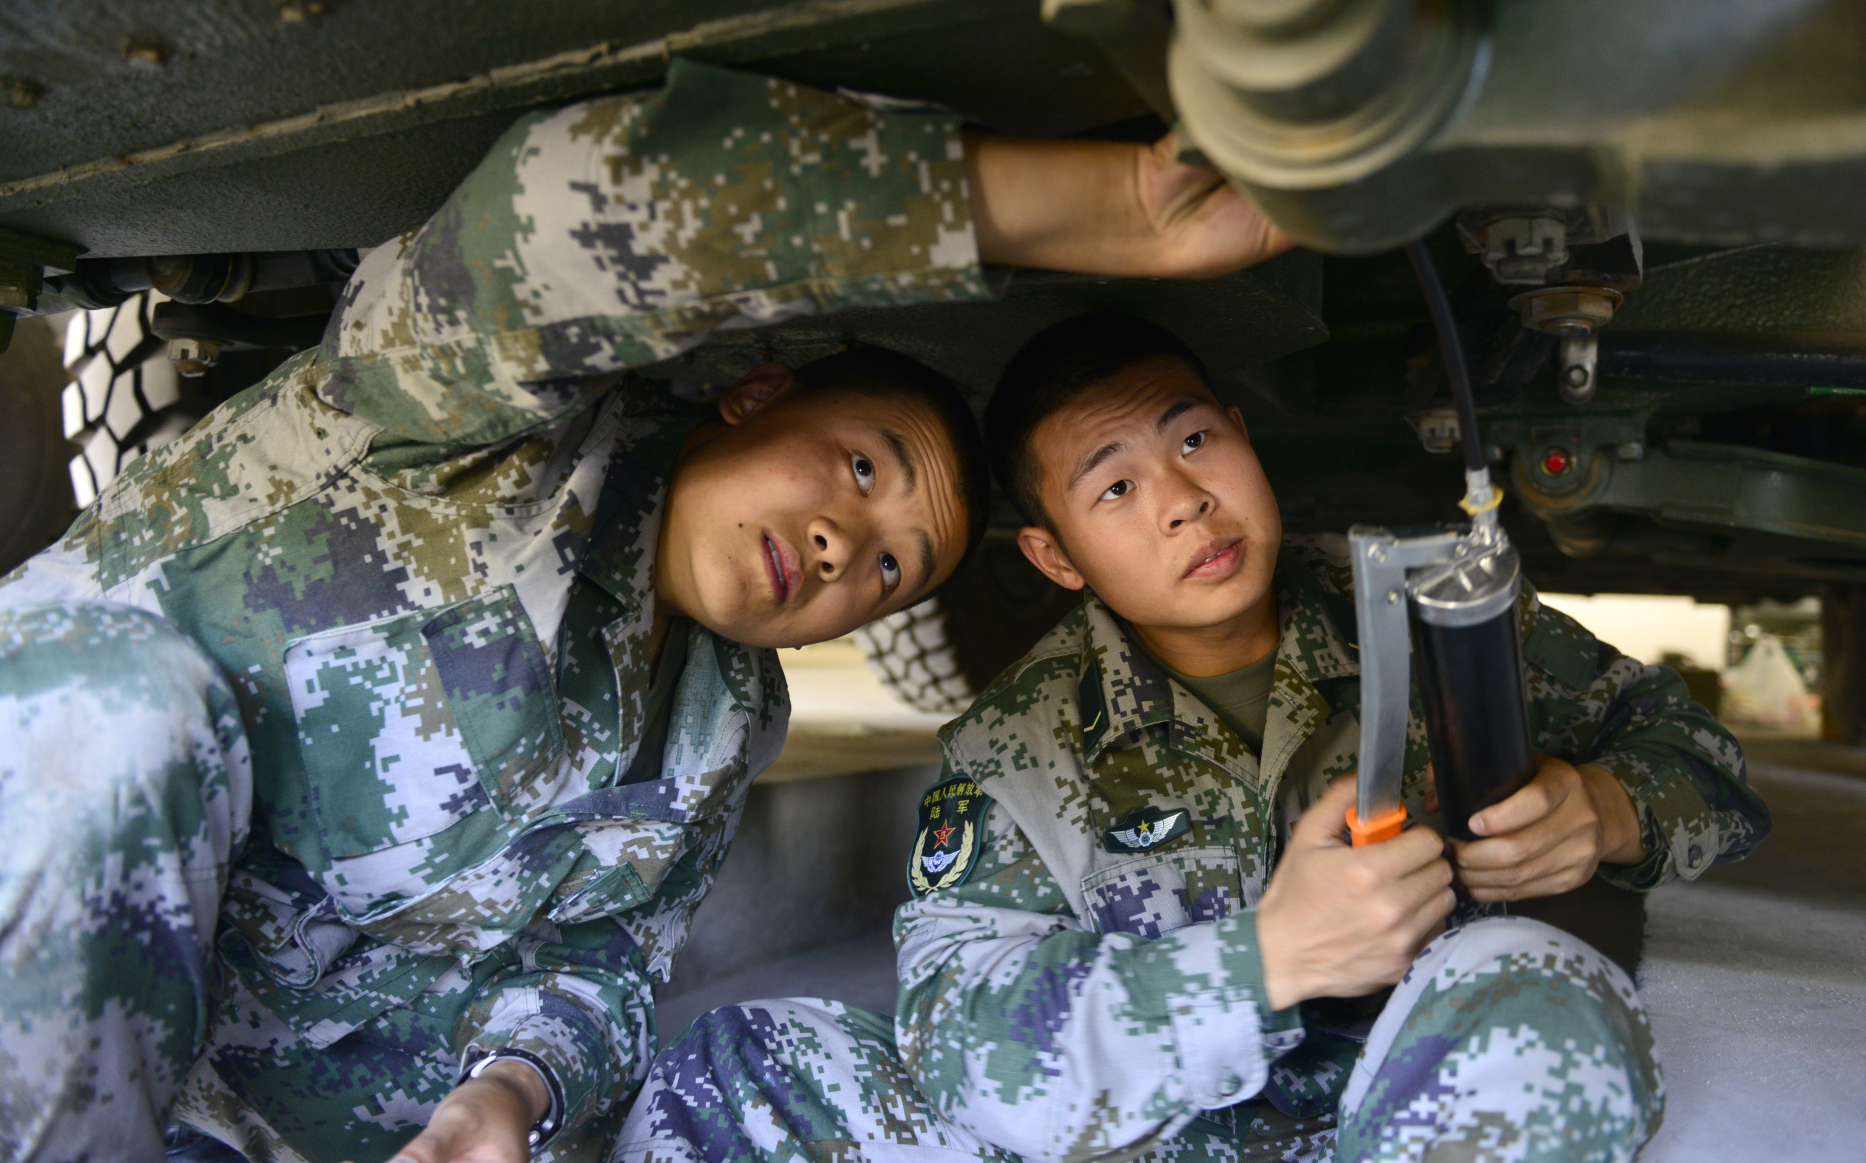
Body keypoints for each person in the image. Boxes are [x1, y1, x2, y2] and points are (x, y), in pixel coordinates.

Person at [0, 67, 1288, 1163]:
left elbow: (606, 963)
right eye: (858, 468)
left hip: (265, 1122)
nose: (850, 547)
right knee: (113, 705)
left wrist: (507, 1090)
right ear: (756, 394)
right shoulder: (458, 436)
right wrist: (1108, 207)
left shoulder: (716, 723)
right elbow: (554, 214)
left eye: (892, 573)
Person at [628, 314, 1772, 1163]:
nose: (1181, 500)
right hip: (1151, 1136)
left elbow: (1695, 756)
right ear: (1056, 558)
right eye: (1114, 488)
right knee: (748, 1065)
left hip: (1397, 1119)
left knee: (1532, 983)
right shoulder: (1015, 741)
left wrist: (1601, 809)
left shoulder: (1431, 619)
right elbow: (966, 1039)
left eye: (1192, 445)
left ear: (1241, 437)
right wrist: (1263, 963)